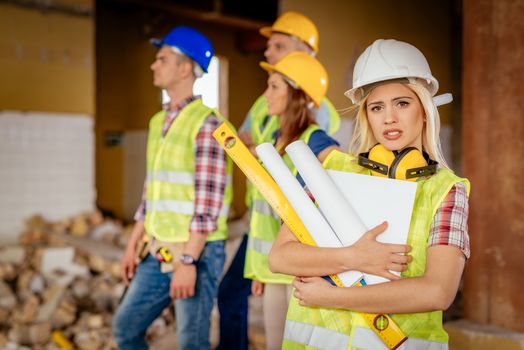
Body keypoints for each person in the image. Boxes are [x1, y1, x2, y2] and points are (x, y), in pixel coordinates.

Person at [269, 39, 470, 349]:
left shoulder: (446, 190)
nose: (389, 117)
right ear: (367, 115)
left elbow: (438, 291)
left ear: (425, 110)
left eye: (402, 103)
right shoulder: (330, 171)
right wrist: (353, 257)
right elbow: (281, 256)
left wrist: (336, 297)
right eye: (377, 107)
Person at [218, 11, 340, 350]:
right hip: (268, 238)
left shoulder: (318, 127)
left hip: (294, 249)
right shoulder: (268, 113)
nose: (268, 52)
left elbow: (311, 199)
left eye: (278, 45)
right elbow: (247, 145)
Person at [112, 26, 233, 350]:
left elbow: (209, 205)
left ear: (184, 68)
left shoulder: (208, 124)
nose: (154, 65)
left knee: (191, 343)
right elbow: (150, 193)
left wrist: (189, 262)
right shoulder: (157, 122)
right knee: (125, 328)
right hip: (158, 248)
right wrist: (132, 244)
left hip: (198, 253)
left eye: (161, 59)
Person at [243, 51, 338, 350]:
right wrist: (260, 270)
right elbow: (264, 214)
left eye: (274, 87)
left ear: (296, 94)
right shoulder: (273, 139)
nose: (265, 94)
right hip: (275, 270)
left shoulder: (316, 139)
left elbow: (340, 190)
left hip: (300, 270)